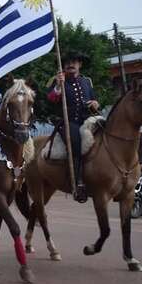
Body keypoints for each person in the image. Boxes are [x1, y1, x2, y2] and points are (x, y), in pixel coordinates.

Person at [46, 51, 99, 203]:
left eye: (74, 62)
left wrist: (95, 104)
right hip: (69, 122)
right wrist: (58, 85)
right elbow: (51, 99)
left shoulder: (87, 81)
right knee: (76, 144)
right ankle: (78, 182)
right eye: (68, 62)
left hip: (88, 120)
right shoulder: (58, 81)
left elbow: (94, 100)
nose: (71, 64)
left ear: (79, 64)